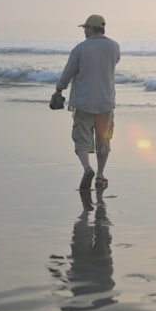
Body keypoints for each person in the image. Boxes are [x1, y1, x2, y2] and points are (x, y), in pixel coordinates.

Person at [54, 14, 121, 190]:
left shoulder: (80, 49)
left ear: (91, 28)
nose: (84, 31)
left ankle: (87, 168)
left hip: (84, 101)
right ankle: (100, 175)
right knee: (104, 140)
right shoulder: (114, 47)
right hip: (106, 101)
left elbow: (68, 72)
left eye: (85, 28)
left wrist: (59, 89)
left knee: (81, 138)